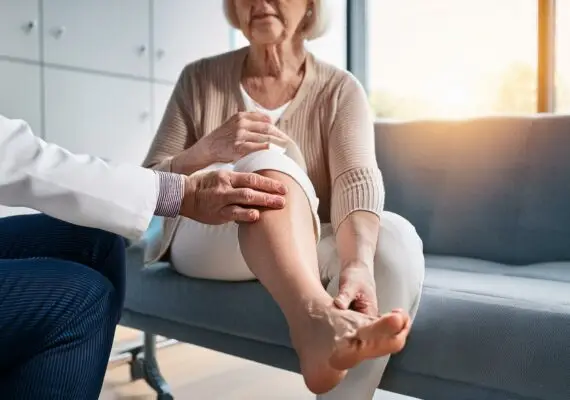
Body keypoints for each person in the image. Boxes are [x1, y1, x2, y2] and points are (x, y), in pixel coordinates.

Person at [142, 0, 425, 397]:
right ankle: (313, 319)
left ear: (311, 5)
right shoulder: (199, 79)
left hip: (294, 238)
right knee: (268, 159)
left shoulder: (340, 89)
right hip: (208, 236)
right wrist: (205, 151)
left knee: (394, 239)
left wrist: (357, 263)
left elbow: (355, 180)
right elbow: (147, 185)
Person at [0, 114, 287, 399]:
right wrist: (188, 183)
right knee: (81, 299)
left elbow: (17, 153)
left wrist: (179, 193)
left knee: (98, 241)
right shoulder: (199, 82)